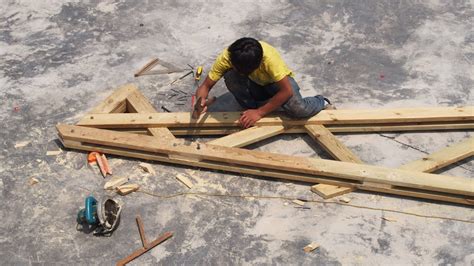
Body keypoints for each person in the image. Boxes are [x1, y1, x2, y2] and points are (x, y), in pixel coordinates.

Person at [194, 37, 332, 128]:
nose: (237, 70)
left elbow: (287, 91)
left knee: (299, 110)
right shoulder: (229, 56)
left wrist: (259, 113)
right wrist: (200, 101)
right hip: (255, 83)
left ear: (258, 64)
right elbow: (205, 86)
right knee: (231, 76)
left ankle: (321, 101)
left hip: (276, 85)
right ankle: (253, 107)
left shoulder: (270, 60)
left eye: (241, 70)